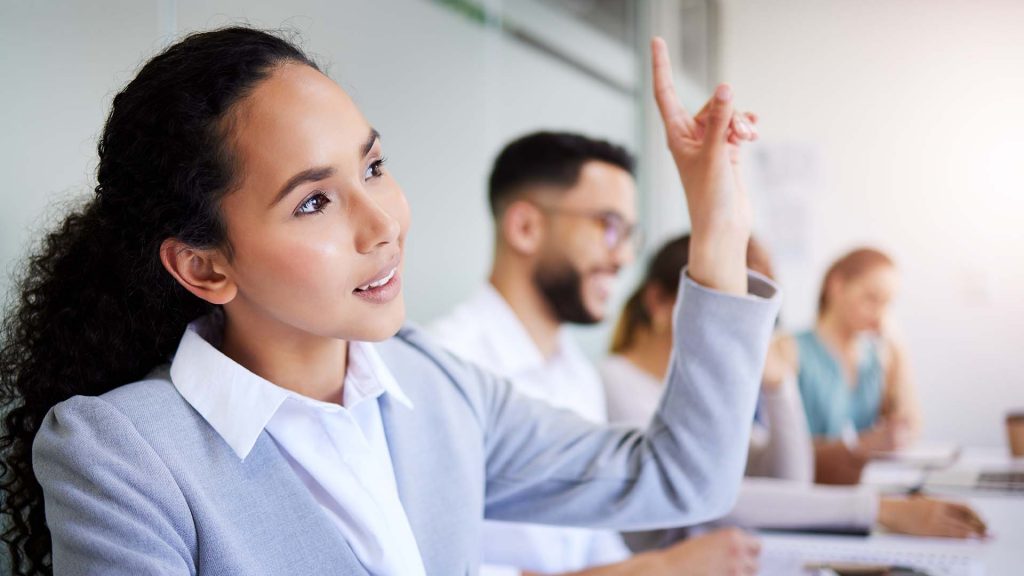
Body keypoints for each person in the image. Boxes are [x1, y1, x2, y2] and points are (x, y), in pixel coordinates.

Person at [0, 28, 781, 575]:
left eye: (373, 167)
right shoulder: (121, 452)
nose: (383, 225)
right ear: (205, 269)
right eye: (313, 202)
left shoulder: (434, 388)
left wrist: (719, 229)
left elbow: (680, 477)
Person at [432, 132, 761, 576]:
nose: (623, 257)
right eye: (608, 226)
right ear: (525, 228)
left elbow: (596, 546)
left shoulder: (577, 374)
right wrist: (659, 570)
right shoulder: (446, 369)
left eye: (629, 235)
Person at [602, 234, 986, 540]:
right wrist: (878, 509)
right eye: (732, 305)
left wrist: (779, 386)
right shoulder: (615, 382)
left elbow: (790, 480)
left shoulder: (699, 387)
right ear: (659, 302)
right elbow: (703, 497)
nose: (744, 326)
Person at [792, 248, 921, 484]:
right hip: (809, 487)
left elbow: (908, 430)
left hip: (862, 487)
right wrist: (864, 444)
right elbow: (778, 451)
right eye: (871, 298)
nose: (880, 313)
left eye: (887, 303)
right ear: (837, 286)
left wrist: (899, 349)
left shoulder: (878, 358)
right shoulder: (791, 349)